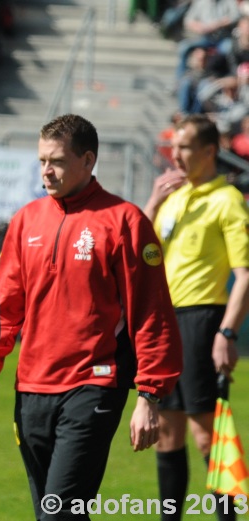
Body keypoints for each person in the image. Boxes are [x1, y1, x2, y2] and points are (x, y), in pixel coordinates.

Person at [0, 113, 183, 520]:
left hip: (93, 385)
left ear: (88, 160)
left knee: (58, 513)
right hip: (31, 387)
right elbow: (5, 308)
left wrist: (150, 395)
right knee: (52, 512)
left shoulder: (125, 221)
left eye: (58, 161)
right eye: (42, 160)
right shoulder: (26, 220)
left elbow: (151, 312)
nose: (46, 170)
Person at [143, 113, 249, 521]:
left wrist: (227, 332)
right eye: (175, 146)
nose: (176, 154)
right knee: (166, 433)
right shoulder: (173, 197)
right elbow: (141, 254)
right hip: (165, 323)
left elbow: (244, 276)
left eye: (185, 146)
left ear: (209, 151)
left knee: (207, 434)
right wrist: (152, 202)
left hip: (202, 320)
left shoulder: (227, 200)